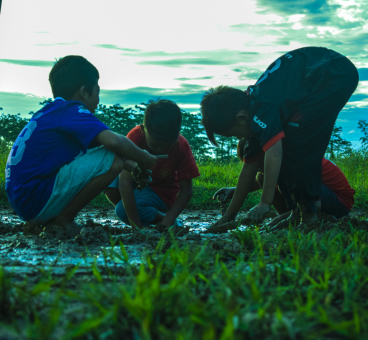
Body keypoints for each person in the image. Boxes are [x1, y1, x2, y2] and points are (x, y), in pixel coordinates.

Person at [200, 47, 359, 227]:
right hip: (319, 74)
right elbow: (249, 167)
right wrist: (228, 217)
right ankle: (299, 211)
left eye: (235, 134)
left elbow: (274, 152)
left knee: (295, 143)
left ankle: (307, 214)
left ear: (241, 118)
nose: (238, 138)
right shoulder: (255, 109)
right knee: (290, 141)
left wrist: (264, 203)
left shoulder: (262, 107)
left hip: (334, 74)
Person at [5, 56, 157, 230]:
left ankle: (53, 219)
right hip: (37, 198)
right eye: (97, 92)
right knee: (112, 157)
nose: (98, 101)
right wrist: (145, 157)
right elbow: (114, 142)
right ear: (84, 92)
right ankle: (64, 220)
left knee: (109, 155)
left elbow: (98, 151)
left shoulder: (50, 112)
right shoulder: (72, 109)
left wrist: (133, 167)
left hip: (25, 202)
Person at [213, 139, 355, 226]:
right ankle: (290, 215)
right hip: (318, 195)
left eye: (257, 164)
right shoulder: (276, 167)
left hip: (339, 202)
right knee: (261, 178)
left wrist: (274, 222)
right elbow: (265, 179)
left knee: (284, 181)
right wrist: (235, 189)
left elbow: (312, 198)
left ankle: (295, 215)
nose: (256, 169)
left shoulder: (291, 163)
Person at [105, 99, 200, 229]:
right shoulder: (136, 136)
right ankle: (138, 213)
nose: (161, 150)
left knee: (122, 211)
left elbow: (186, 189)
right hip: (138, 184)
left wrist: (168, 219)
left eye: (168, 146)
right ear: (144, 130)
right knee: (109, 179)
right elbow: (124, 181)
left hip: (161, 193)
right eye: (156, 145)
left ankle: (164, 218)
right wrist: (136, 228)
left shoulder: (181, 145)